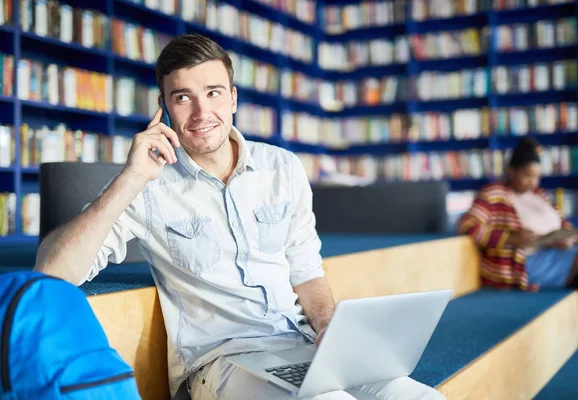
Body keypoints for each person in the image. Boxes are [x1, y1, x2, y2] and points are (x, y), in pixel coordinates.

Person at [33, 33, 446, 400]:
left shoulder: (282, 168)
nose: (200, 112)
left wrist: (328, 327)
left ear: (233, 97)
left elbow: (306, 269)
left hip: (301, 343)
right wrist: (130, 179)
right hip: (222, 361)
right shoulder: (147, 186)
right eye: (183, 97)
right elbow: (52, 274)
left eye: (213, 92)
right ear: (163, 109)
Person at [458, 136, 578, 345]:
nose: (533, 182)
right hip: (522, 263)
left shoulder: (539, 195)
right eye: (527, 176)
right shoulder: (494, 194)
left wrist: (567, 239)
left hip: (552, 252)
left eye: (536, 177)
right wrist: (510, 237)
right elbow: (467, 225)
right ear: (511, 172)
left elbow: (563, 224)